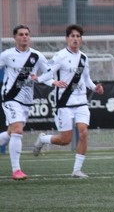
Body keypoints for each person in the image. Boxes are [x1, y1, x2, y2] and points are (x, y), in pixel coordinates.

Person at [32, 24, 104, 178]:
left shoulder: (84, 58)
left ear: (81, 39)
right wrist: (49, 82)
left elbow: (87, 80)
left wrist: (95, 88)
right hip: (64, 103)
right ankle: (43, 139)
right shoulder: (60, 56)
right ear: (67, 39)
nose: (75, 39)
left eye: (78, 36)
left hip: (81, 103)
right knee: (65, 140)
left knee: (83, 133)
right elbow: (46, 75)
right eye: (72, 36)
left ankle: (76, 170)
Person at [0, 25, 49, 180]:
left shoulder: (36, 56)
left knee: (11, 132)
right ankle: (16, 170)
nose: (24, 37)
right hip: (10, 97)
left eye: (27, 34)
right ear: (15, 37)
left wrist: (53, 82)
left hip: (26, 101)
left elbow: (48, 73)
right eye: (21, 34)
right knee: (18, 130)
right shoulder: (7, 55)